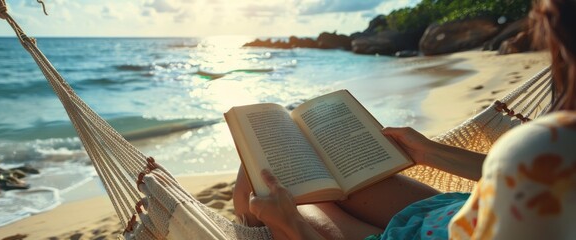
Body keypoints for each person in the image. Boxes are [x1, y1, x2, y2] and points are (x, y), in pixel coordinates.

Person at [232, 0, 576, 239]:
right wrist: (429, 152)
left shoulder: (542, 148)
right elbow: (522, 181)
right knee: (308, 178)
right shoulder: (547, 155)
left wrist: (290, 225)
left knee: (259, 178)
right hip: (452, 213)